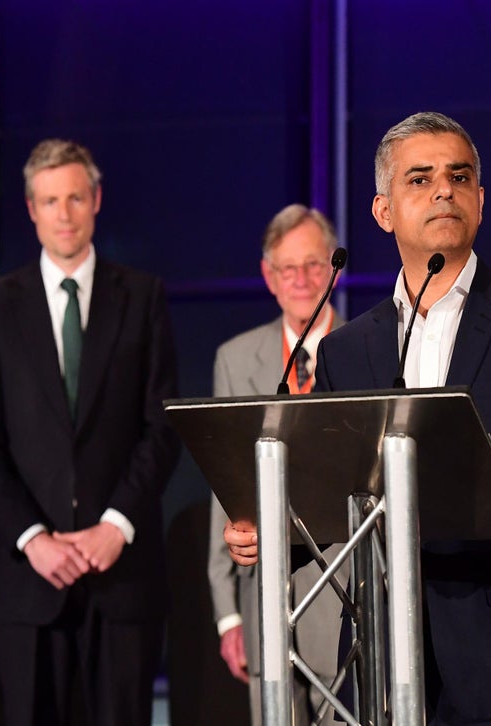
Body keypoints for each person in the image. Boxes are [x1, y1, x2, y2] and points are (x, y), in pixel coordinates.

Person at [225, 111, 491, 725]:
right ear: (384, 211)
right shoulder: (348, 349)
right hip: (381, 662)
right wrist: (272, 531)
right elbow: (328, 490)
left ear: (480, 201)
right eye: (420, 179)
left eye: (459, 177)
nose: (443, 191)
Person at [0, 138, 180, 726]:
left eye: (75, 198)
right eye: (50, 200)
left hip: (122, 572)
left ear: (96, 201)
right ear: (31, 208)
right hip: (28, 580)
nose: (64, 213)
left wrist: (116, 525)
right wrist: (33, 536)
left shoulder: (142, 297)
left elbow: (162, 426)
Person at [207, 204, 347, 726]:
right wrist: (228, 615)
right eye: (288, 268)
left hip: (350, 604)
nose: (303, 280)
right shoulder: (236, 359)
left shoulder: (366, 352)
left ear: (334, 268)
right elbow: (224, 492)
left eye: (314, 264)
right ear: (269, 276)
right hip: (266, 599)